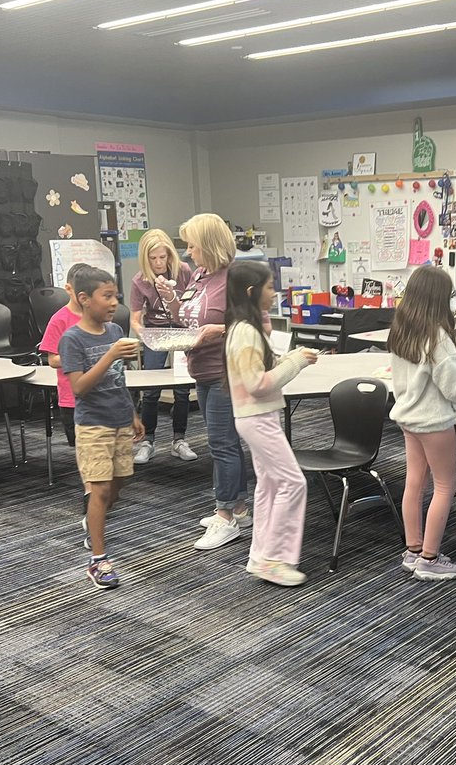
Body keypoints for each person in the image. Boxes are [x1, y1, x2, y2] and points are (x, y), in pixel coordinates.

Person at [159, 212, 249, 551]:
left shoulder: (236, 278)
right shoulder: (200, 275)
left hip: (227, 370)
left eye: (192, 246)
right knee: (226, 443)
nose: (188, 253)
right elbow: (187, 316)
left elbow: (259, 324)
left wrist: (220, 330)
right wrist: (170, 298)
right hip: (202, 368)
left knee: (221, 444)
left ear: (209, 245)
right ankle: (239, 508)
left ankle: (225, 517)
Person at [225, 261, 318, 586]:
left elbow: (260, 370)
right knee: (293, 483)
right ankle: (274, 559)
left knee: (271, 484)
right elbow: (257, 383)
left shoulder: (244, 328)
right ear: (252, 292)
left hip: (255, 416)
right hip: (256, 416)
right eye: (268, 287)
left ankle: (261, 556)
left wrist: (293, 360)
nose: (273, 292)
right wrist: (294, 363)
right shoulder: (246, 332)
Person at [388, 265, 456, 580]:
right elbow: (455, 388)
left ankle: (413, 550)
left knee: (414, 482)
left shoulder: (402, 328)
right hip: (434, 422)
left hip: (409, 419)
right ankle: (429, 558)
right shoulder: (438, 336)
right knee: (445, 485)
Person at [59, 265, 145, 589]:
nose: (114, 303)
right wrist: (109, 356)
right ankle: (98, 560)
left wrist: (133, 413)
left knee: (120, 482)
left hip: (121, 418)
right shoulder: (72, 339)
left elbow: (118, 380)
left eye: (116, 296)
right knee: (100, 489)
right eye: (107, 296)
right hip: (93, 425)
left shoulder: (114, 333)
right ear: (84, 299)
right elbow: (79, 388)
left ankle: (92, 519)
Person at [129, 228, 197, 465]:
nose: (158, 262)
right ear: (145, 259)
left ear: (169, 255)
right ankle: (148, 441)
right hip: (156, 334)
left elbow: (193, 305)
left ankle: (179, 439)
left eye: (162, 257)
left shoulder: (184, 271)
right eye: (153, 258)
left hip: (182, 331)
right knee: (151, 390)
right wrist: (145, 336)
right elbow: (135, 320)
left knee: (182, 389)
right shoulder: (140, 281)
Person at [39, 263, 91, 522]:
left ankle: (97, 490)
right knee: (82, 449)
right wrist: (80, 357)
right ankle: (90, 493)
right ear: (69, 289)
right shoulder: (59, 319)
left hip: (98, 393)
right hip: (72, 397)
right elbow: (52, 359)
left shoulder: (97, 314)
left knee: (99, 447)